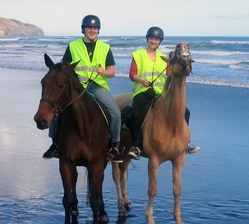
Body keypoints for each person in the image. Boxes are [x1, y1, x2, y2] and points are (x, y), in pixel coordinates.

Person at [42, 15, 124, 163]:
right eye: (89, 28)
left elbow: (112, 71)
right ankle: (54, 144)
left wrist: (103, 72)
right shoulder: (73, 46)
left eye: (95, 28)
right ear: (83, 29)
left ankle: (114, 148)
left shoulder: (105, 48)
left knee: (116, 113)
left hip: (97, 86)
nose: (92, 30)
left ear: (98, 30)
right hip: (77, 87)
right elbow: (64, 68)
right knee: (57, 109)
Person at [127, 26, 200, 160]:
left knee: (186, 112)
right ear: (147, 39)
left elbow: (170, 74)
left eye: (156, 39)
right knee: (136, 114)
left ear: (160, 41)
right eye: (152, 39)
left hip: (161, 93)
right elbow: (132, 74)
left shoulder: (165, 58)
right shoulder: (138, 54)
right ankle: (136, 146)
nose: (154, 41)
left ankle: (186, 143)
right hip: (143, 91)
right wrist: (142, 80)